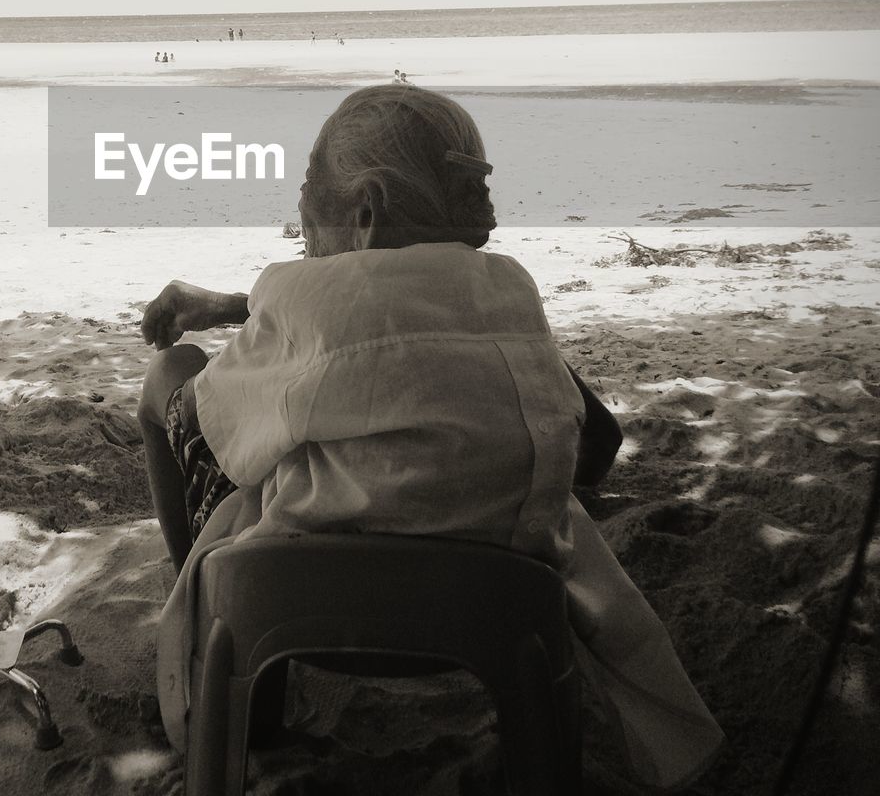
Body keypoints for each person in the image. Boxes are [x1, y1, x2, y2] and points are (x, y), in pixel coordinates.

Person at [138, 84, 722, 788]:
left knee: (172, 381)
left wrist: (235, 327)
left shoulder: (299, 294)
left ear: (364, 210)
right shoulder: (511, 295)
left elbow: (223, 424)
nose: (305, 248)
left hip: (298, 597)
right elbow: (596, 446)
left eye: (306, 226)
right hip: (493, 598)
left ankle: (218, 654)